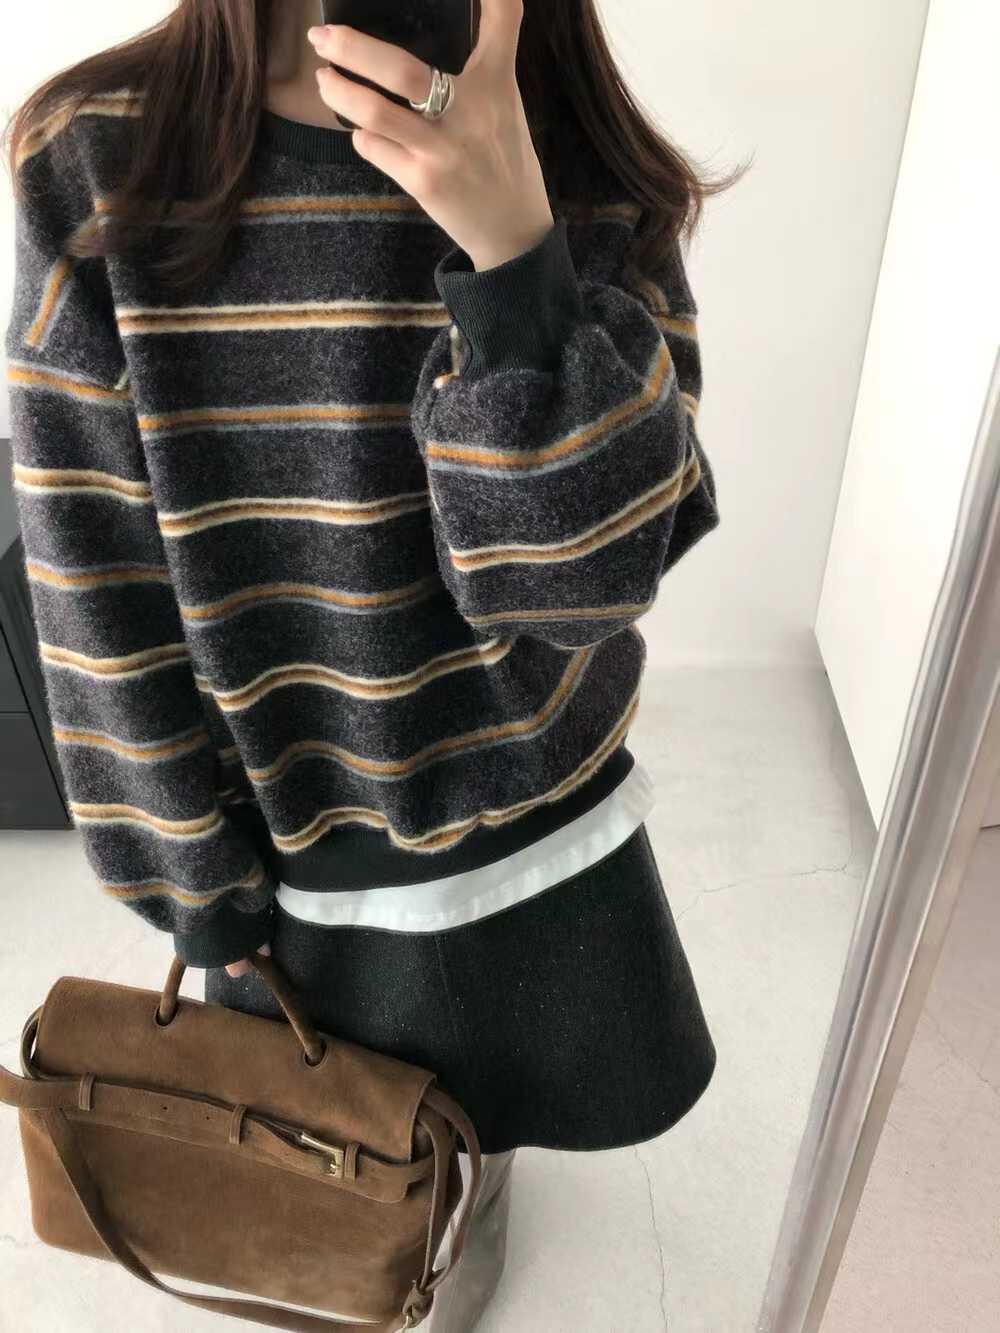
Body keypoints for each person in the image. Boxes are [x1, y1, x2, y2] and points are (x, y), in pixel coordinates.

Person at [4, 1, 742, 1326]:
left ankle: (469, 1186)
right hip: (293, 870)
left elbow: (585, 586)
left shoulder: (568, 145)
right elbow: (93, 584)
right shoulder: (99, 158)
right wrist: (192, 880)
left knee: (491, 1112)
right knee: (337, 1161)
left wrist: (514, 256)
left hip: (541, 836)